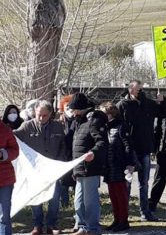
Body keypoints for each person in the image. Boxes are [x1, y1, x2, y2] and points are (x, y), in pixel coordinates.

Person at [116, 80, 166, 222]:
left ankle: (145, 212)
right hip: (128, 151)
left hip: (144, 149)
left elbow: (164, 113)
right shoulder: (122, 105)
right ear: (131, 89)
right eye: (138, 89)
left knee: (144, 183)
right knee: (127, 183)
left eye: (141, 89)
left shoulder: (148, 104)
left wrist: (163, 101)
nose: (140, 91)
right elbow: (115, 124)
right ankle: (123, 214)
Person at [14, 100, 66, 235]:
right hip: (35, 170)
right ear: (34, 113)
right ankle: (37, 225)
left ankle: (51, 225)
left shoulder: (58, 127)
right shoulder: (26, 126)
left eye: (45, 115)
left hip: (54, 168)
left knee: (54, 198)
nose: (41, 118)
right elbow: (12, 136)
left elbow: (63, 146)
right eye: (39, 115)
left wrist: (61, 164)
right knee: (36, 198)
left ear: (50, 114)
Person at [69, 93, 107, 235]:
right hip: (79, 167)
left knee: (90, 200)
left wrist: (94, 153)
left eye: (74, 109)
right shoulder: (79, 122)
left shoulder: (94, 120)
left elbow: (101, 142)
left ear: (81, 108)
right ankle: (82, 226)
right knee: (78, 200)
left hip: (90, 167)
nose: (73, 112)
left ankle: (93, 228)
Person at [100, 102, 137, 232]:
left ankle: (123, 221)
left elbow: (128, 146)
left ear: (110, 114)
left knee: (121, 195)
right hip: (109, 166)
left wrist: (130, 164)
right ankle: (116, 220)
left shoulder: (121, 126)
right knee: (113, 195)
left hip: (120, 165)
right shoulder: (106, 128)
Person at [0, 120, 19, 235]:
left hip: (5, 180)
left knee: (3, 216)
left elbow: (15, 150)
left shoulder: (5, 129)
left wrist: (3, 154)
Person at [57, 95, 76, 208]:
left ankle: (76, 204)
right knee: (63, 182)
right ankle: (64, 204)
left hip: (75, 154)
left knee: (76, 181)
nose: (68, 109)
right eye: (66, 106)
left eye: (70, 106)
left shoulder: (78, 121)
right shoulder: (59, 122)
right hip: (63, 156)